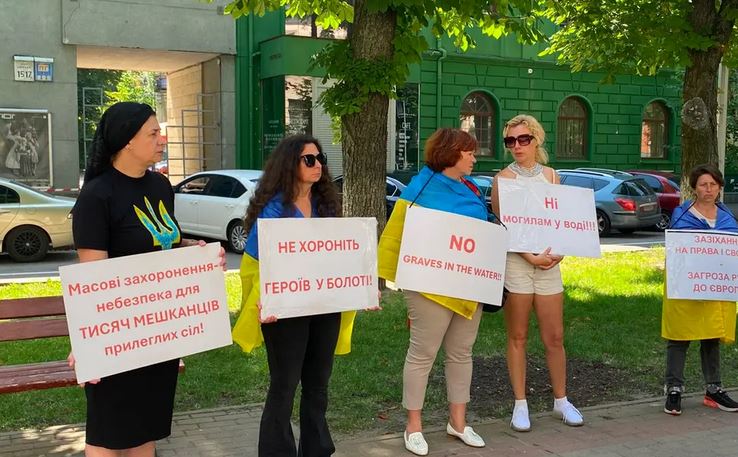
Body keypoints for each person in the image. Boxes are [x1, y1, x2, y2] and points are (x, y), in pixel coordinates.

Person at [68, 101, 224, 457]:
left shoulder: (160, 186)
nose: (161, 140)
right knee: (107, 433)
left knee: (146, 427)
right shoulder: (97, 196)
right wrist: (89, 344)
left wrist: (197, 252)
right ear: (127, 141)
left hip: (158, 331)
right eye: (153, 133)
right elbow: (91, 277)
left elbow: (165, 241)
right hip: (117, 334)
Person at [231, 134, 357, 457]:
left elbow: (342, 257)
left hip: (324, 306)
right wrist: (263, 300)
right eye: (309, 159)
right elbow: (255, 265)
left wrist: (361, 290)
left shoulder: (326, 206)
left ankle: (316, 450)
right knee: (284, 386)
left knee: (318, 384)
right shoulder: (273, 210)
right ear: (290, 164)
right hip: (284, 310)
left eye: (320, 159)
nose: (318, 165)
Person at [378, 128, 489, 456]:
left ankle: (458, 422)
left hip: (468, 285)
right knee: (422, 354)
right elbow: (396, 235)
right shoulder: (421, 188)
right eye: (469, 152)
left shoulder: (470, 187)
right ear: (451, 153)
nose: (474, 158)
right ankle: (413, 426)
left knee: (462, 353)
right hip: (428, 287)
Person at [491, 114, 583, 432]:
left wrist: (559, 251)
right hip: (518, 263)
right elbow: (504, 226)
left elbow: (560, 220)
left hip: (549, 263)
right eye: (510, 141)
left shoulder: (551, 176)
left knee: (554, 336)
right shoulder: (502, 179)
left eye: (523, 139)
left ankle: (561, 401)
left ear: (536, 140)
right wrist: (529, 256)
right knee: (518, 336)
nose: (517, 146)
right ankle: (520, 404)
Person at [662, 163, 738, 415]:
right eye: (703, 184)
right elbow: (675, 249)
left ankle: (713, 389)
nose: (708, 189)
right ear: (694, 187)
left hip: (715, 286)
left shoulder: (728, 217)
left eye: (713, 184)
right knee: (679, 335)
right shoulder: (681, 215)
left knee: (711, 334)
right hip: (686, 285)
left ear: (719, 187)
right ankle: (674, 389)